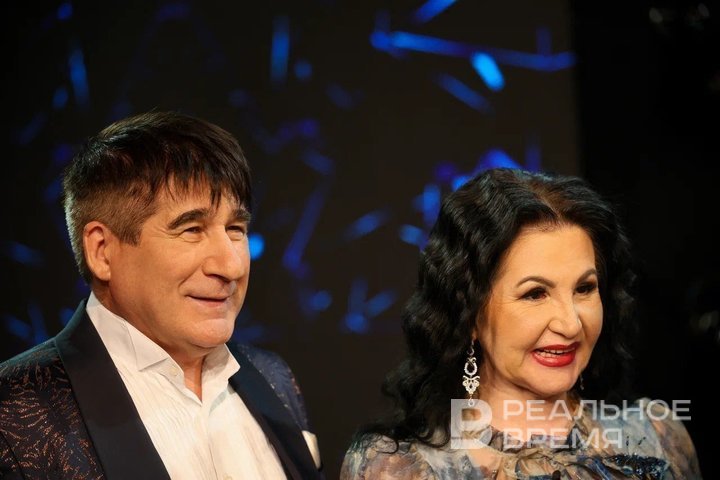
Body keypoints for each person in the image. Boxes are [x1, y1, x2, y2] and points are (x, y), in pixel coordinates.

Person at [0, 111, 322, 479]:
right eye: (191, 229)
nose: (231, 266)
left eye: (235, 228)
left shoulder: (273, 377)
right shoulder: (14, 414)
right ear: (102, 251)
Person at [341, 168, 702, 479]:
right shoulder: (399, 466)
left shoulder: (657, 435)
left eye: (584, 288)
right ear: (469, 312)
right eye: (535, 294)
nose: (571, 324)